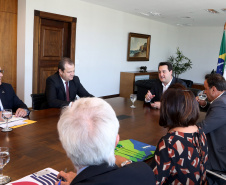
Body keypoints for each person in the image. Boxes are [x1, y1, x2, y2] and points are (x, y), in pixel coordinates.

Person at [55, 97, 155, 185]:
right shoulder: (144, 172)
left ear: (66, 147)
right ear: (117, 141)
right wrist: (125, 162)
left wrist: (77, 180)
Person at [150, 84, 208, 184]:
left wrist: (127, 164)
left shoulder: (169, 143)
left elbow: (153, 181)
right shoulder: (200, 132)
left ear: (168, 109)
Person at [197, 73, 226, 172]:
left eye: (205, 88)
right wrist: (205, 104)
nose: (204, 92)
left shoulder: (221, 104)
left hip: (218, 156)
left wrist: (183, 127)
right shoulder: (223, 99)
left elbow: (203, 128)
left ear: (213, 89)